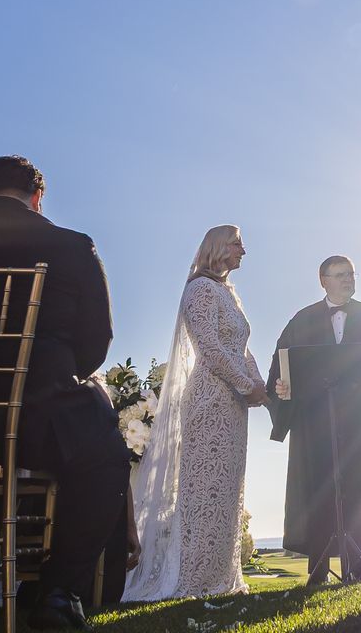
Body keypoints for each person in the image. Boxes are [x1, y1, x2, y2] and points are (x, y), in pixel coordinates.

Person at [0, 155, 128, 630]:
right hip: (41, 421)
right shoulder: (71, 245)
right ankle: (59, 592)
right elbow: (96, 342)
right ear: (38, 199)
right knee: (106, 460)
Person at [124, 225, 267, 601]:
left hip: (234, 403)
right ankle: (195, 578)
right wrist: (245, 384)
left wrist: (258, 384)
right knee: (204, 490)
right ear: (218, 247)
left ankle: (221, 575)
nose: (244, 250)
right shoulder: (200, 289)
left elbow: (242, 348)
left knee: (226, 491)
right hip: (210, 399)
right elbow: (211, 350)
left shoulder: (228, 293)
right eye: (238, 243)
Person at [265, 255, 361, 584]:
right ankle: (318, 568)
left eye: (351, 274)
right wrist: (282, 388)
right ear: (322, 280)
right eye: (340, 275)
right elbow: (279, 370)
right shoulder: (302, 320)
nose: (347, 280)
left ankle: (360, 564)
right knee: (318, 490)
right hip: (315, 424)